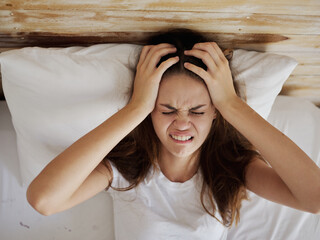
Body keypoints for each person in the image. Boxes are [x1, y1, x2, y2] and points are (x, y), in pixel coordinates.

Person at [26, 28, 320, 239]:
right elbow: (44, 201)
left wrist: (231, 104)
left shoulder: (231, 170)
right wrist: (136, 108)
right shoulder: (126, 170)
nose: (181, 124)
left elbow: (315, 198)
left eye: (197, 111)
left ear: (216, 111)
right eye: (166, 110)